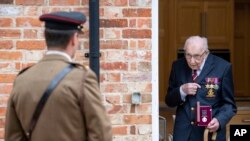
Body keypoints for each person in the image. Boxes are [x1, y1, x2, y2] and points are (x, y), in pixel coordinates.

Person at [5, 11, 112, 141]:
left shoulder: (22, 79)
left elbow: (13, 137)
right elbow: (101, 135)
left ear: (46, 36)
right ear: (74, 38)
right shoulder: (82, 78)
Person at [165, 36, 237, 141]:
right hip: (183, 134)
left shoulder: (223, 67)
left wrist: (219, 120)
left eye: (196, 56)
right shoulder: (177, 66)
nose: (192, 61)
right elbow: (169, 100)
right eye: (188, 55)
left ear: (205, 53)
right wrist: (182, 91)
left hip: (209, 133)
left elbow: (230, 105)